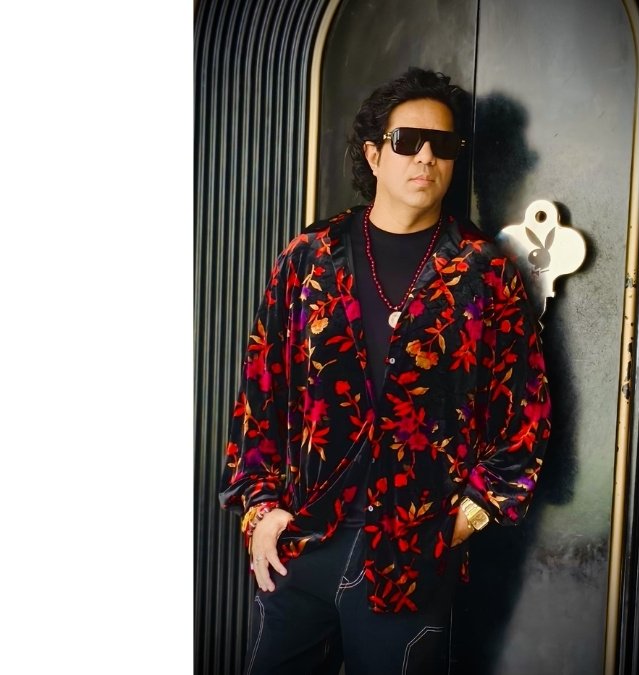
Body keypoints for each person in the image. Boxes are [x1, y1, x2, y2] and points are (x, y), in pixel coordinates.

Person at [220, 67, 551, 675]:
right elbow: (260, 393)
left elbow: (525, 413)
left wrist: (460, 520)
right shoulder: (310, 258)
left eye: (442, 144)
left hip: (411, 561)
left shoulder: (484, 273)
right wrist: (259, 510)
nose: (426, 156)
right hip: (302, 545)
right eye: (407, 141)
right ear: (374, 155)